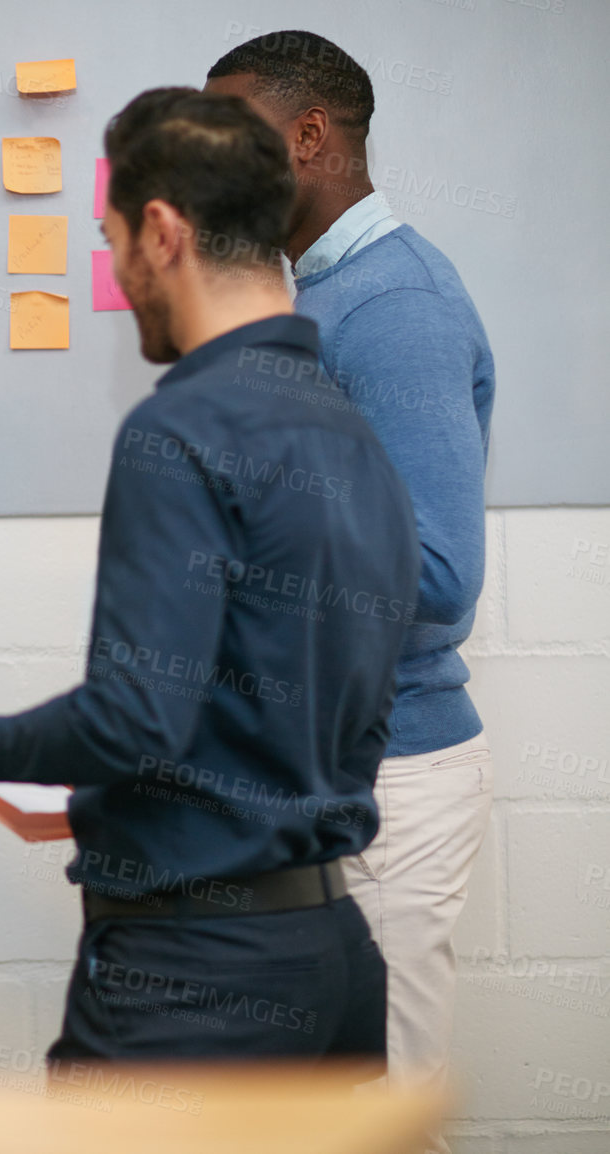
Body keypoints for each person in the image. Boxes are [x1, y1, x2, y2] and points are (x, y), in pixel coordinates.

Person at [0, 89, 419, 1065]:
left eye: (114, 240)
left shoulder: (181, 428)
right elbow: (339, 711)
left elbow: (133, 718)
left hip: (190, 986)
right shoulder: (354, 433)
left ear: (161, 232)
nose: (118, 275)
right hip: (331, 966)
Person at [205, 31, 496, 1099]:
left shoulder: (395, 308)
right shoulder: (310, 303)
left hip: (389, 777)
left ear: (308, 134)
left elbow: (438, 576)